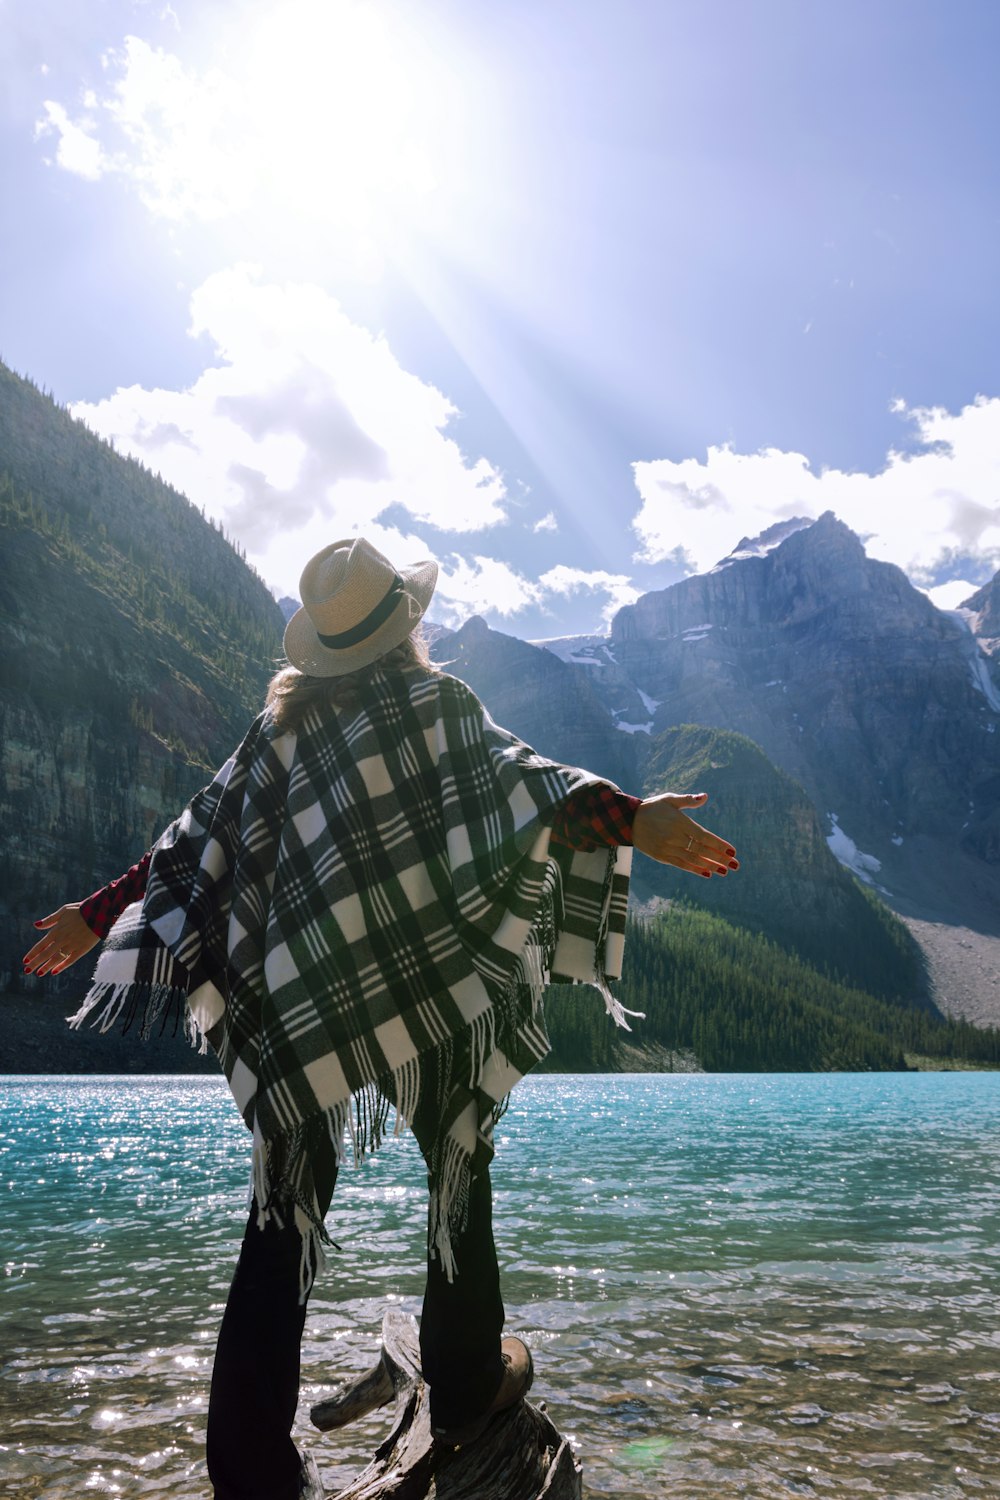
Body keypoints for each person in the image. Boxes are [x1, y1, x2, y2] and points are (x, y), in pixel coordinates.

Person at [24, 537, 738, 1500]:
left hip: (299, 997)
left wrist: (93, 915)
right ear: (404, 628)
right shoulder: (437, 709)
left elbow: (187, 847)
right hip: (431, 983)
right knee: (457, 1164)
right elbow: (531, 787)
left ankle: (249, 1471)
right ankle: (466, 1386)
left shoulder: (277, 735)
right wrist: (631, 819)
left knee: (281, 1217)